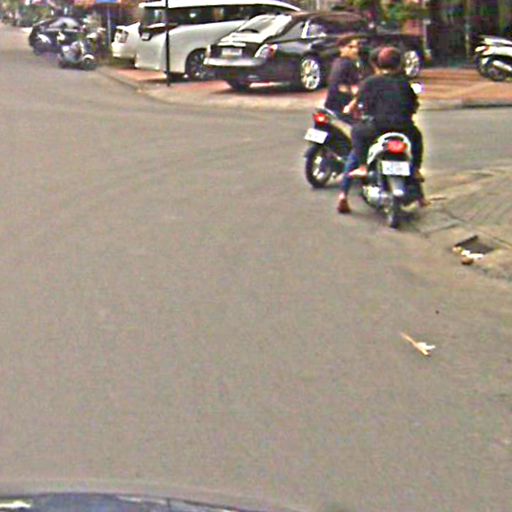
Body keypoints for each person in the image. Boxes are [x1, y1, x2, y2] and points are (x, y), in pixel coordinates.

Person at [337, 46, 425, 213]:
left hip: (377, 128)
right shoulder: (404, 83)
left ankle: (363, 167)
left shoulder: (370, 82)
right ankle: (415, 170)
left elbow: (357, 103)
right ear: (399, 64)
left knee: (356, 133)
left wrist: (350, 109)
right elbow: (413, 105)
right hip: (404, 129)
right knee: (417, 138)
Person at [324, 33, 362, 118]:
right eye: (350, 47)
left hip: (330, 106)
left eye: (356, 47)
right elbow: (354, 89)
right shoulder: (349, 64)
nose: (355, 50)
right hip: (344, 108)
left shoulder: (336, 62)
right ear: (341, 48)